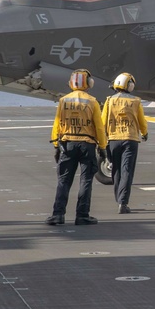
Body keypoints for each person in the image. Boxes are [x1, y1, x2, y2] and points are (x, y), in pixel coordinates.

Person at [46, 69, 107, 226]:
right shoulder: (92, 101)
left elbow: (57, 124)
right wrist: (102, 147)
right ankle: (82, 215)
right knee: (86, 181)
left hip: (67, 144)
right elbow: (99, 127)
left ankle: (58, 215)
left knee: (64, 181)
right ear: (89, 83)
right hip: (87, 145)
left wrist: (56, 146)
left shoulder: (63, 101)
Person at [101, 72, 148, 214]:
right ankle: (123, 202)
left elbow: (103, 122)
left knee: (116, 171)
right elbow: (141, 121)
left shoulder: (109, 101)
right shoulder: (135, 101)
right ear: (130, 85)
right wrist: (145, 133)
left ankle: (118, 200)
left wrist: (101, 141)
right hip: (130, 139)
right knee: (127, 170)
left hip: (113, 140)